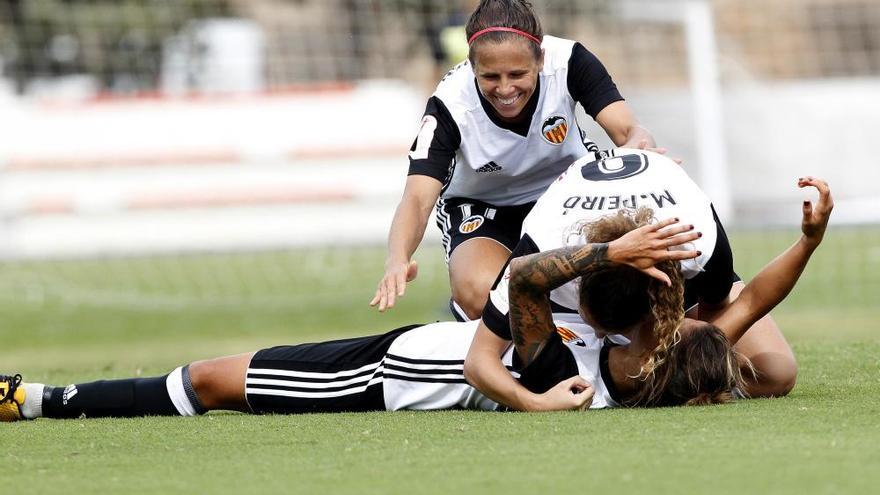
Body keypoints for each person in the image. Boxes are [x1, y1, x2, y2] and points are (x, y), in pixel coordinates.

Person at [0, 178, 830, 418]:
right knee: (216, 374)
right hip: (429, 347)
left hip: (390, 373)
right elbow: (751, 296)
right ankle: (36, 397)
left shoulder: (560, 375)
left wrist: (615, 249)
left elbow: (530, 277)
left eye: (670, 321)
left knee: (215, 379)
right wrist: (810, 240)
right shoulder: (627, 359)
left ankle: (37, 400)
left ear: (650, 355)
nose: (673, 310)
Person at [371, 0, 661, 320]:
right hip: (482, 204)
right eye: (491, 76)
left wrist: (639, 149)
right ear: (472, 66)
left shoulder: (570, 61)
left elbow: (629, 131)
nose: (505, 89)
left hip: (568, 192)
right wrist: (397, 258)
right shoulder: (450, 104)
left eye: (517, 74)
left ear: (540, 59)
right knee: (479, 293)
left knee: (621, 278)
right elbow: (417, 198)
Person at [465, 148, 807, 402]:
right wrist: (537, 404)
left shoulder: (698, 244)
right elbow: (479, 360)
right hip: (568, 266)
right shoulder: (542, 249)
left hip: (668, 255)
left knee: (774, 374)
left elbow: (732, 309)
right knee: (492, 314)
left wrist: (693, 371)